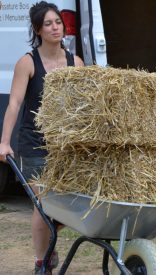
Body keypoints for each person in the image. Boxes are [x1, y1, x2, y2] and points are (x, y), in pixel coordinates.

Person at [0, 2, 84, 274]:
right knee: (44, 203)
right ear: (38, 30)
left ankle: (49, 242)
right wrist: (4, 142)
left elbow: (84, 107)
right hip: (34, 145)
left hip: (66, 148)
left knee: (69, 205)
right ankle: (42, 262)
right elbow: (14, 104)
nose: (55, 27)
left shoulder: (76, 63)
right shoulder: (28, 63)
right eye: (48, 24)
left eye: (57, 22)